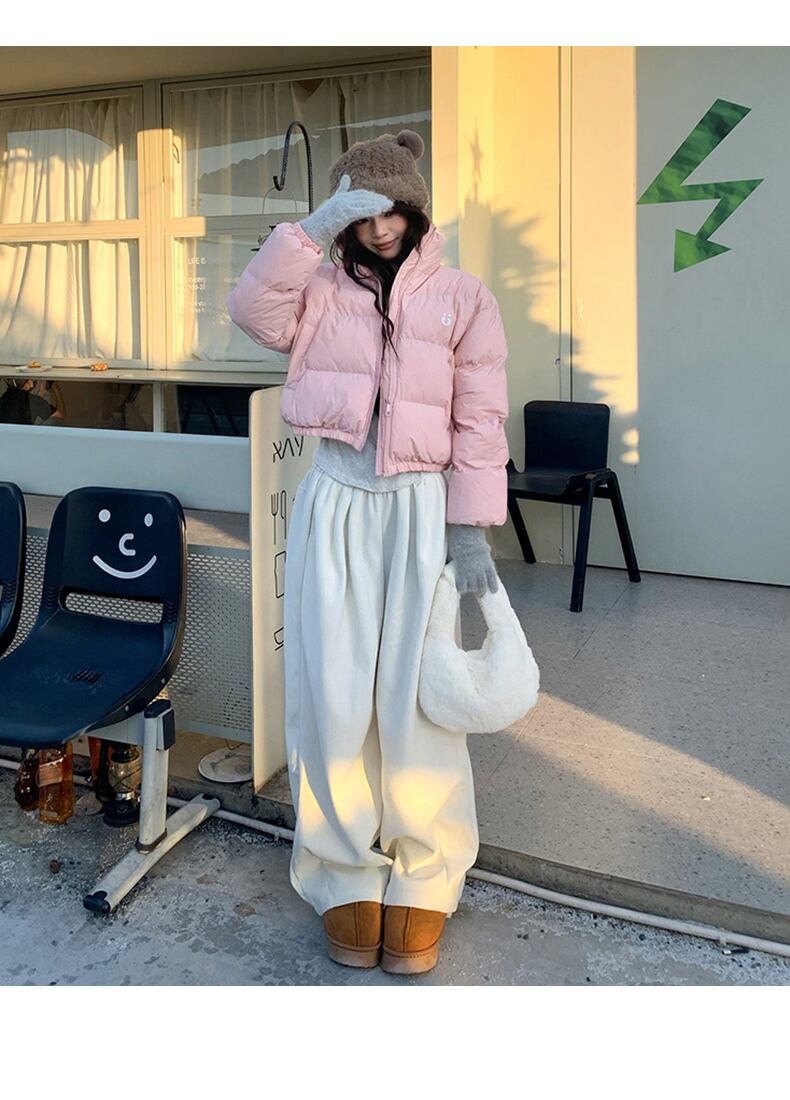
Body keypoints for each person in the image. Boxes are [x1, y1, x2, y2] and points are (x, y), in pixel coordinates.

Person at [227, 129, 509, 975]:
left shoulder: (464, 298)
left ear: (415, 209)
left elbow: (480, 416)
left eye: (392, 211)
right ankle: (341, 868)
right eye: (361, 213)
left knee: (419, 700)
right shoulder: (315, 288)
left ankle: (426, 871)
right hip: (337, 496)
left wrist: (470, 528)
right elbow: (251, 312)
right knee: (334, 689)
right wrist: (309, 232)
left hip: (422, 505)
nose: (380, 229)